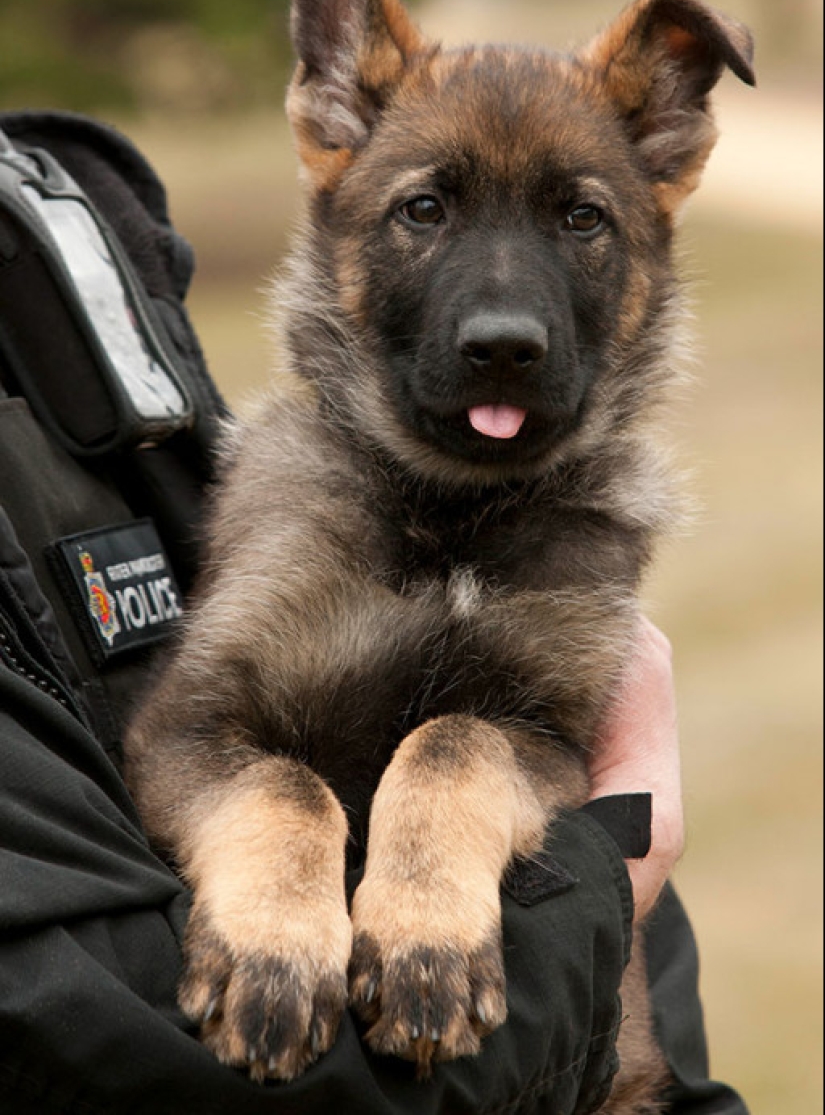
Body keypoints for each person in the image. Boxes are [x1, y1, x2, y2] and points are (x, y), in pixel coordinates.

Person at [0, 109, 748, 1115]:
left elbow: (607, 856)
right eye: (427, 209)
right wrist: (607, 868)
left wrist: (547, 839)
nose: (504, 314)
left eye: (579, 217)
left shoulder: (59, 207)